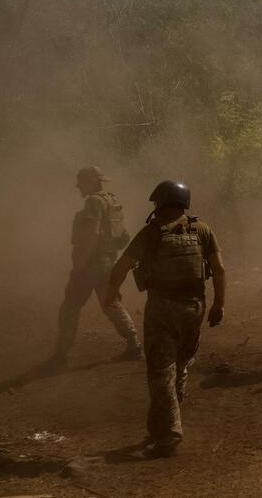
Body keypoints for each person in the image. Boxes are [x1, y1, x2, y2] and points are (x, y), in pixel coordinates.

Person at [104, 180, 226, 458]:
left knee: (160, 373)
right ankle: (159, 426)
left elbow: (122, 266)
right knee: (180, 367)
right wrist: (218, 305)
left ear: (161, 203)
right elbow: (218, 270)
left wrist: (111, 291)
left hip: (162, 309)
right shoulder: (202, 230)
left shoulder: (151, 233)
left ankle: (169, 434)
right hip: (194, 308)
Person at [48, 166, 141, 369]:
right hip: (107, 264)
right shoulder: (112, 201)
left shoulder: (93, 202)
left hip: (90, 266)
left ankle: (61, 355)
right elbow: (123, 236)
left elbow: (92, 235)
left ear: (91, 181)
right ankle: (134, 344)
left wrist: (81, 265)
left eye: (80, 180)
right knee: (112, 304)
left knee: (69, 308)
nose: (77, 185)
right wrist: (109, 255)